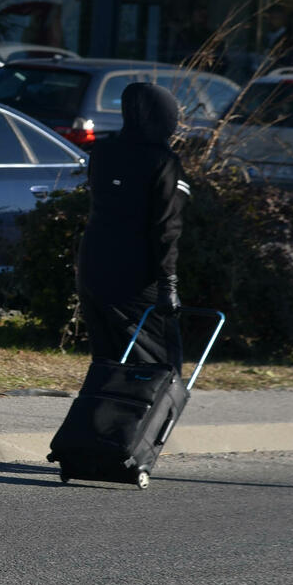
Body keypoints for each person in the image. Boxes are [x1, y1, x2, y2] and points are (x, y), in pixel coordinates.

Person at [76, 82, 190, 370]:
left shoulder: (102, 152)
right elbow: (166, 228)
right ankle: (140, 416)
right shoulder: (163, 161)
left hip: (93, 267)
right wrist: (169, 283)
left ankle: (101, 413)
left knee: (107, 362)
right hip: (135, 277)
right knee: (159, 365)